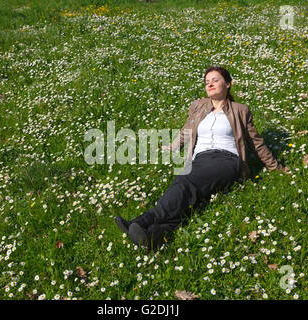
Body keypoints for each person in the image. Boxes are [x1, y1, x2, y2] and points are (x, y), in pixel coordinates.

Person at [115, 65, 291, 251]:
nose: (210, 84)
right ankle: (155, 235)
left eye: (215, 80)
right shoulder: (198, 107)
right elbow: (186, 131)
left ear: (228, 84)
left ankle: (142, 221)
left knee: (184, 181)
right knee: (191, 198)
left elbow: (256, 142)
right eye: (207, 82)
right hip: (200, 159)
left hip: (226, 159)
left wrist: (276, 167)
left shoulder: (240, 110)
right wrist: (173, 146)